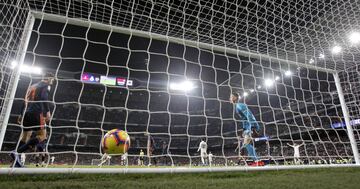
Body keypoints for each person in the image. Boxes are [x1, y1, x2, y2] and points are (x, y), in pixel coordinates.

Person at [11, 73, 54, 167]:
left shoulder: (32, 86)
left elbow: (25, 99)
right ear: (50, 78)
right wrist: (47, 111)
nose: (52, 82)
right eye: (52, 80)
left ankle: (15, 163)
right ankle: (16, 152)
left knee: (25, 136)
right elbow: (44, 97)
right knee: (42, 135)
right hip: (37, 113)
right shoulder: (46, 85)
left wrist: (21, 114)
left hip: (27, 113)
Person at [230, 92, 263, 166]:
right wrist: (244, 129)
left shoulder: (240, 105)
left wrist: (253, 127)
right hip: (247, 128)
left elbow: (249, 115)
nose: (230, 98)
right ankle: (257, 160)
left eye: (231, 96)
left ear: (235, 97)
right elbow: (245, 119)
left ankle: (257, 161)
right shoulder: (237, 106)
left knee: (246, 144)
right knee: (245, 145)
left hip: (251, 127)